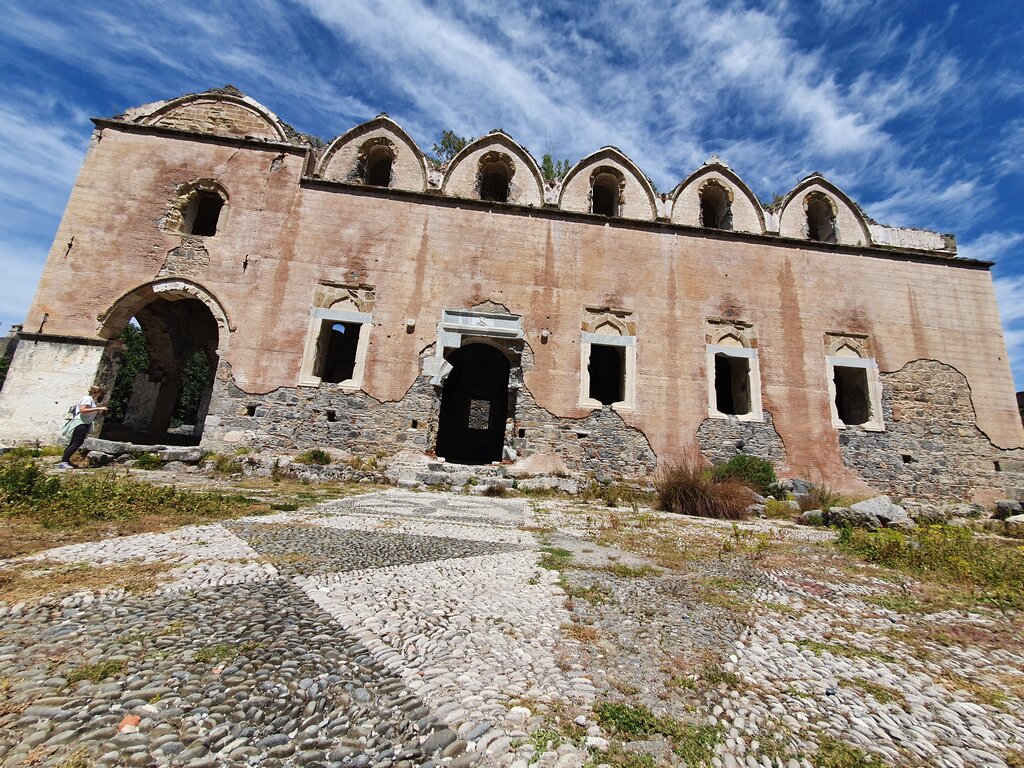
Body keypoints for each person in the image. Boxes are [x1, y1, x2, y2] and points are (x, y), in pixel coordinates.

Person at [58, 386, 108, 469]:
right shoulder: (87, 399)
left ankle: (65, 460)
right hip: (81, 423)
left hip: (84, 422)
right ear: (97, 392)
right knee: (77, 443)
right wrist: (99, 408)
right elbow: (82, 410)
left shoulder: (91, 400)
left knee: (74, 443)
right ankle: (64, 462)